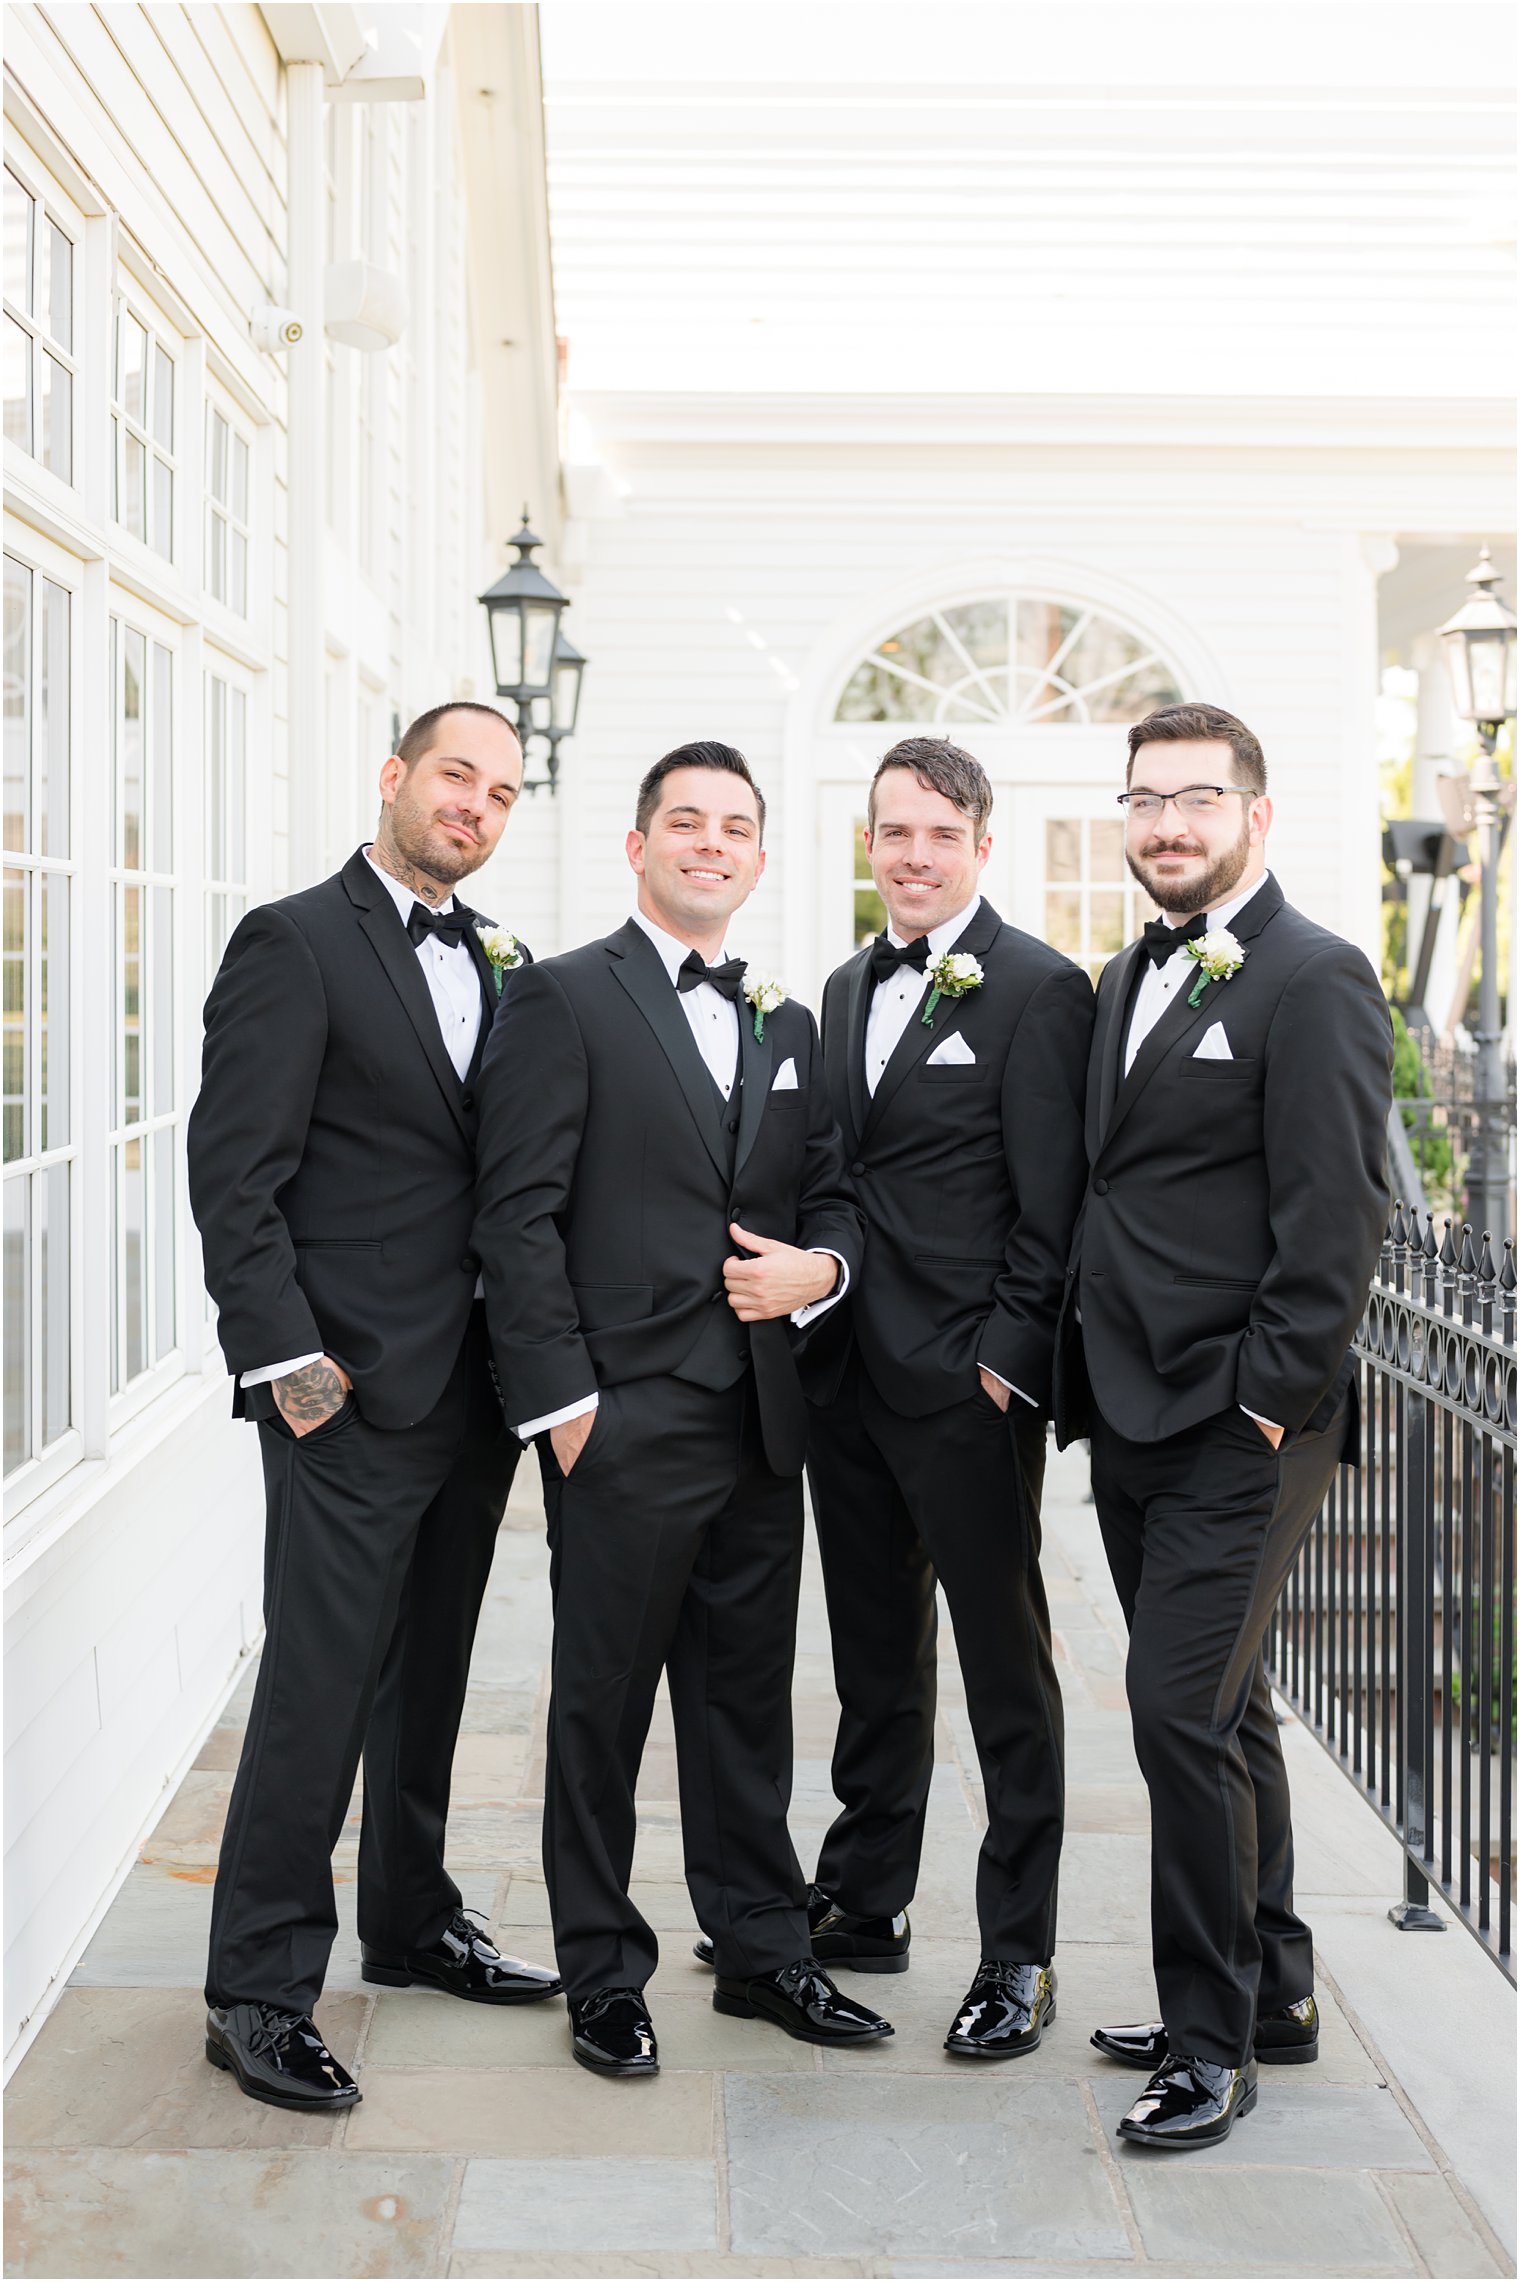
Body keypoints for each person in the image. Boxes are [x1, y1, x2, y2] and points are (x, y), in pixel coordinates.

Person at [473, 740, 888, 2077]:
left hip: (762, 1421)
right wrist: (563, 1403)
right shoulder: (558, 998)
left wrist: (822, 1271)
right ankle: (602, 1967)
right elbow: (517, 1213)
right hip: (622, 1416)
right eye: (686, 822)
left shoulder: (788, 1019)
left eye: (736, 827)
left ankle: (764, 1949)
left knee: (745, 1703)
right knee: (600, 1707)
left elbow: (831, 1193)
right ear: (640, 843)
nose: (712, 842)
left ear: (760, 856)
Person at [694, 736, 1091, 2063]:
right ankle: (867, 1902)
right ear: (866, 845)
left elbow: (1053, 1205)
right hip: (847, 1378)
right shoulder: (845, 984)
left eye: (937, 833)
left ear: (983, 842)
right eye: (892, 833)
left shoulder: (1041, 990)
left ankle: (1020, 1954)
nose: (912, 856)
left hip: (967, 1392)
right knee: (873, 1665)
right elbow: (839, 1169)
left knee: (1004, 1673)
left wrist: (1004, 1361)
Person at [188, 702, 561, 2114]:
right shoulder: (295, 940)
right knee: (320, 1685)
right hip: (342, 1394)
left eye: (504, 791)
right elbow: (233, 1176)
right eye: (458, 775)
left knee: (432, 1675)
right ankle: (258, 1987)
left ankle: (411, 1919)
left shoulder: (502, 959)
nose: (478, 803)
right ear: (396, 777)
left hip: (471, 1392)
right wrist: (291, 1366)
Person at [1055, 701, 1392, 2150]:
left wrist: (1263, 1402)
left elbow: (1338, 1217)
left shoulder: (1315, 976)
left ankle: (1210, 2041)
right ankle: (1275, 1990)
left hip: (1245, 1419)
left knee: (1174, 1709)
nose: (1168, 825)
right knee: (1231, 1701)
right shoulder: (1127, 971)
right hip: (1129, 1403)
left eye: (1197, 799)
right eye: (1145, 800)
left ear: (1257, 812)